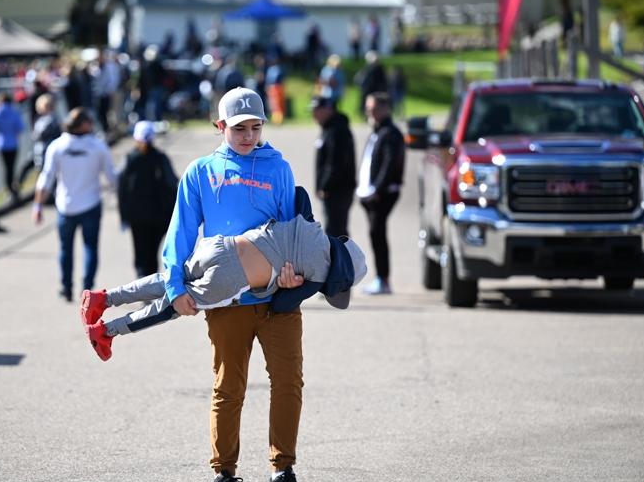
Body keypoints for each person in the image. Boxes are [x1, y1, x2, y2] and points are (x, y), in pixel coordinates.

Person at [159, 86, 310, 482]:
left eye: (255, 127)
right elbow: (180, 233)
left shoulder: (278, 168)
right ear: (220, 126)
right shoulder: (201, 172)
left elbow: (290, 229)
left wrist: (293, 272)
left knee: (289, 382)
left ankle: (282, 472)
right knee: (229, 386)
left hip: (278, 298)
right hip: (227, 300)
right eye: (239, 128)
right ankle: (224, 474)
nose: (248, 136)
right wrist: (175, 287)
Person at [80, 205, 367, 361]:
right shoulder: (318, 276)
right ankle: (106, 331)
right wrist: (290, 286)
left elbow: (300, 193)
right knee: (172, 306)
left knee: (171, 281)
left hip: (221, 245)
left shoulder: (310, 224)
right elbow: (280, 306)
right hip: (231, 279)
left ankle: (103, 298)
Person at [34, 108, 118, 301]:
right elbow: (112, 176)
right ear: (83, 124)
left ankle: (66, 287)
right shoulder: (97, 146)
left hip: (65, 205)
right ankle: (87, 289)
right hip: (91, 204)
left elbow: (46, 177)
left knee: (65, 248)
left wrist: (38, 205)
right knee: (90, 247)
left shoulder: (57, 146)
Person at [357, 93, 406, 295]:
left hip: (383, 194)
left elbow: (389, 164)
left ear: (386, 109)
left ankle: (383, 279)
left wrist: (377, 190)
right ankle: (380, 278)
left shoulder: (391, 133)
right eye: (368, 109)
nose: (370, 113)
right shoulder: (377, 132)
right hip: (370, 194)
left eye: (374, 109)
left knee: (377, 232)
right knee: (375, 233)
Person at [117, 120, 179, 277]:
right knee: (152, 253)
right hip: (160, 215)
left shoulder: (130, 158)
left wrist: (123, 215)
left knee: (141, 253)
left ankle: (142, 282)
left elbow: (121, 189)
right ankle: (151, 283)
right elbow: (172, 183)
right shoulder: (160, 158)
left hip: (137, 216)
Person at [311, 96, 356, 238]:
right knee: (333, 230)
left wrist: (325, 186)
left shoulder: (337, 130)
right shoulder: (328, 128)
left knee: (336, 232)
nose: (314, 114)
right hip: (332, 191)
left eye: (317, 110)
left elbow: (336, 163)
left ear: (328, 110)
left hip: (338, 191)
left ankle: (341, 254)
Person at [17, 93, 62, 187]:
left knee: (46, 174)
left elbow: (40, 134)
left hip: (46, 150)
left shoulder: (52, 119)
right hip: (39, 150)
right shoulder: (42, 119)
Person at [0, 93, 25, 199]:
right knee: (11, 167)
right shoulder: (14, 112)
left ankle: (9, 188)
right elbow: (20, 128)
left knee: (6, 168)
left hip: (1, 144)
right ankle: (12, 188)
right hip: (13, 143)